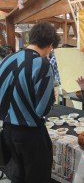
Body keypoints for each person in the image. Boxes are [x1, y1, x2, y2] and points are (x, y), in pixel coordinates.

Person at [0, 22, 60, 183]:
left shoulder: (7, 59)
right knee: (37, 178)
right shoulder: (42, 64)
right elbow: (42, 109)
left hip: (7, 131)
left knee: (18, 175)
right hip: (30, 134)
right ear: (50, 44)